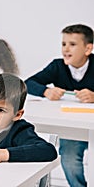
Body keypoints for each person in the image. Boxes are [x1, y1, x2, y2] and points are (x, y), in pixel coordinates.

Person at [25, 24, 94, 187]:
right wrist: (45, 91)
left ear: (88, 48)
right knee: (69, 157)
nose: (66, 49)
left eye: (72, 44)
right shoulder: (57, 66)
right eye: (63, 44)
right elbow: (28, 83)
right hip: (73, 126)